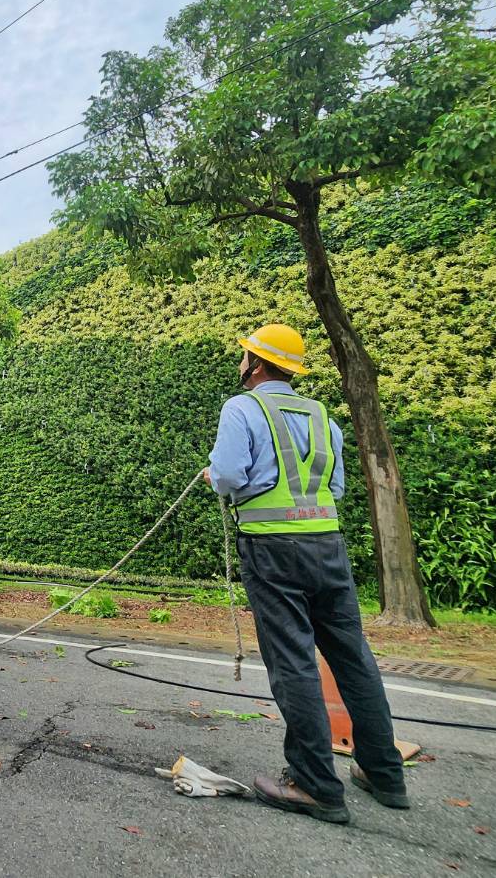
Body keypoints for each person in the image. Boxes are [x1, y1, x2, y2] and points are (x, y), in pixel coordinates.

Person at [204, 323, 408, 825]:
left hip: (273, 551)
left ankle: (315, 785)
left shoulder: (242, 408)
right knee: (352, 657)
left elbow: (228, 475)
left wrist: (217, 479)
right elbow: (333, 487)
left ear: (256, 363)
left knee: (293, 662)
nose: (240, 363)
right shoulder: (322, 416)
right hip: (328, 545)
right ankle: (384, 775)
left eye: (244, 355)